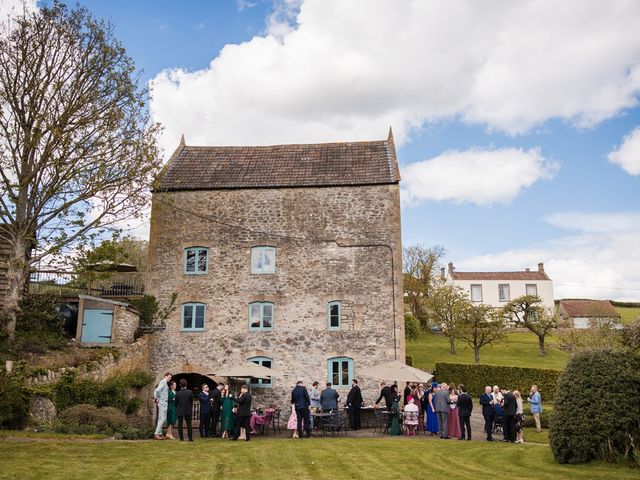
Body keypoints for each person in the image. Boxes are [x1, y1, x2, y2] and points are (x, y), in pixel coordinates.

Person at [153, 372, 171, 440]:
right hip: (163, 403)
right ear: (165, 376)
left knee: (161, 418)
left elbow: (156, 390)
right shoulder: (163, 382)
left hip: (163, 403)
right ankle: (156, 433)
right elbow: (157, 390)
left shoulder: (163, 382)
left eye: (170, 378)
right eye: (169, 377)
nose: (169, 379)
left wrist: (157, 398)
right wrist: (157, 399)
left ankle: (160, 433)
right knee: (163, 418)